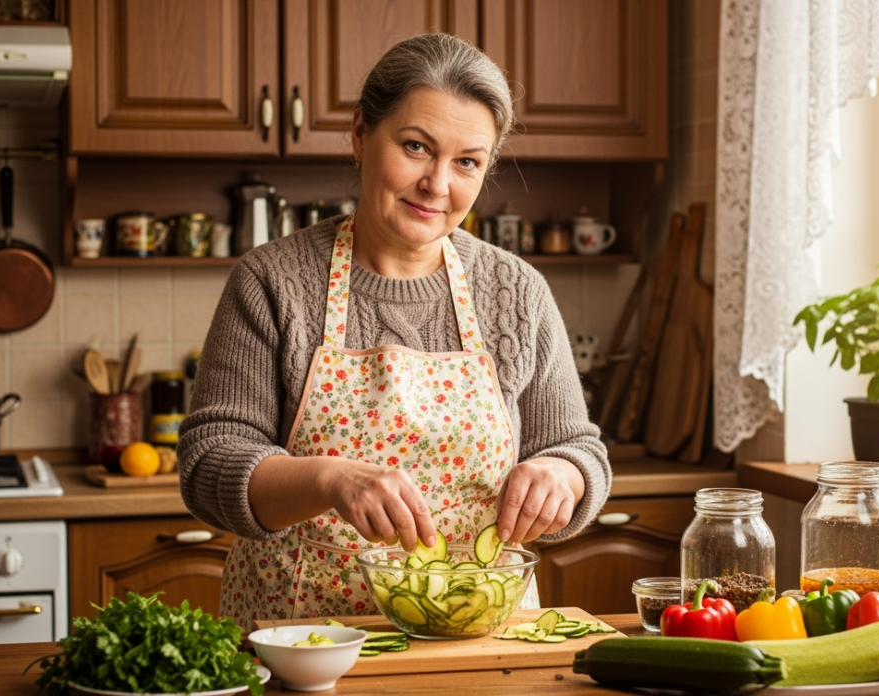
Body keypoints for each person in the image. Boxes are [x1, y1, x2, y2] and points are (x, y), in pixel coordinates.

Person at [178, 34, 610, 627]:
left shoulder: (517, 291)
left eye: (467, 162)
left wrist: (564, 475)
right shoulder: (272, 281)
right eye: (416, 147)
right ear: (360, 134)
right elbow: (209, 464)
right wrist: (329, 478)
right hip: (305, 643)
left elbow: (579, 449)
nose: (438, 184)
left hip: (479, 642)